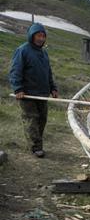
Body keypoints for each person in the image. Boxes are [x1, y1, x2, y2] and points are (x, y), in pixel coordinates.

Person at [9, 23, 58, 158]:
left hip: (42, 94)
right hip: (27, 94)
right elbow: (15, 71)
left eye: (43, 36)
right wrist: (18, 88)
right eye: (38, 35)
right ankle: (35, 147)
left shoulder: (44, 53)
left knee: (42, 120)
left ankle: (36, 144)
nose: (41, 38)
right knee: (31, 120)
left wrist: (53, 88)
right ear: (32, 36)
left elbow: (48, 72)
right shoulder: (22, 50)